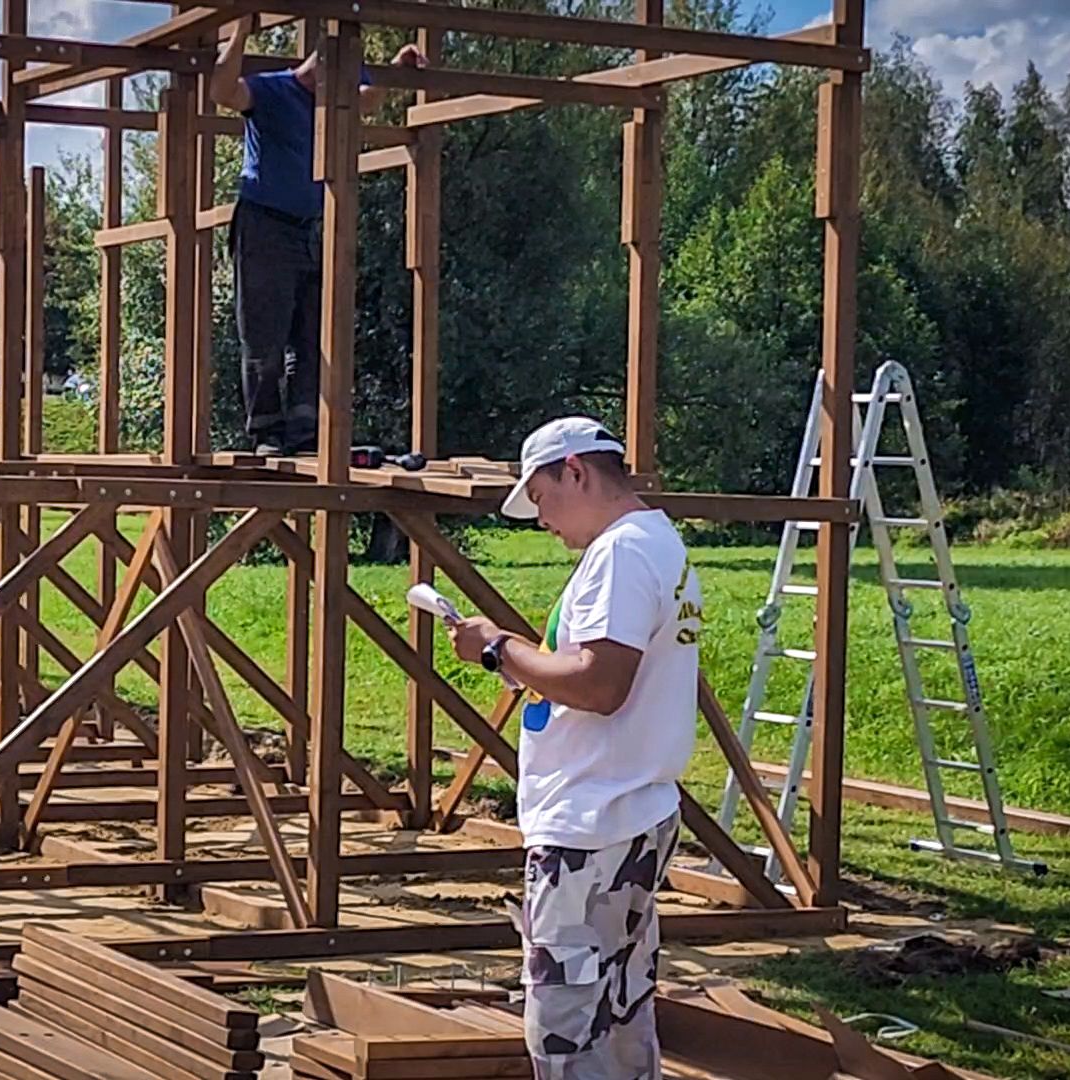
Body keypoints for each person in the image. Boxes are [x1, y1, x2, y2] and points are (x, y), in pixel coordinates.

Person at [446, 417, 703, 1079]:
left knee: (567, 1026)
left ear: (576, 471)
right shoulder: (655, 542)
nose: (541, 520)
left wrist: (501, 648)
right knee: (618, 1013)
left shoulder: (621, 553)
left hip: (593, 822)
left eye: (540, 497)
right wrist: (516, 659)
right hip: (626, 811)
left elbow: (599, 681)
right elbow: (593, 672)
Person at [209, 20, 423, 456]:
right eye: (342, 81)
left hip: (306, 229)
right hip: (264, 224)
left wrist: (396, 69)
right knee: (264, 331)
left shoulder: (336, 93)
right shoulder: (273, 91)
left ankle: (304, 433)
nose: (347, 94)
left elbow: (368, 102)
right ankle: (266, 432)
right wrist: (239, 35)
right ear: (318, 69)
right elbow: (221, 91)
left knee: (312, 332)